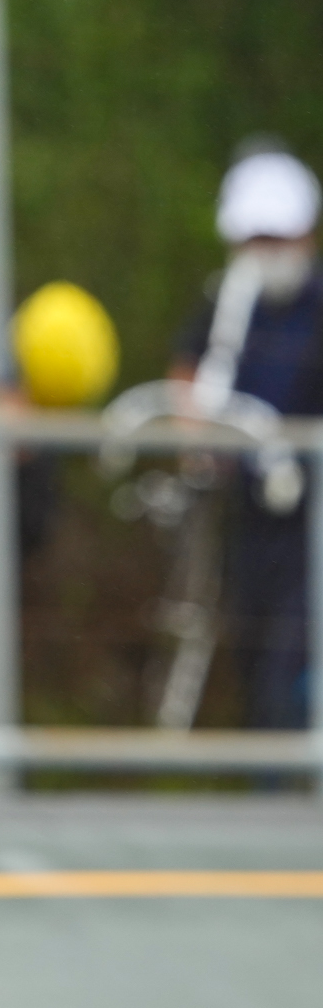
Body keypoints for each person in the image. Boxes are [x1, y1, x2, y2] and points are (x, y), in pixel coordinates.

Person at [169, 145, 323, 733]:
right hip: (246, 516)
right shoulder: (224, 303)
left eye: (277, 240)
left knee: (291, 656)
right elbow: (189, 374)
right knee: (252, 652)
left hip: (309, 519)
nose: (266, 255)